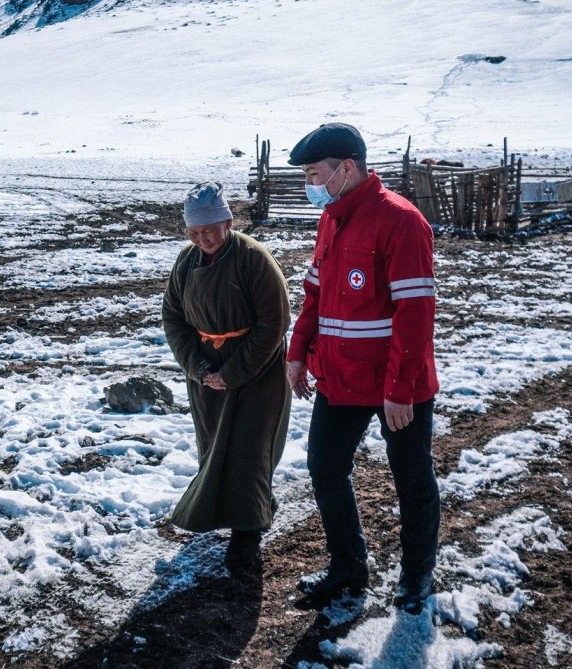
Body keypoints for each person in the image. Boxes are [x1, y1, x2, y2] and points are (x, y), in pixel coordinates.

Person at [285, 122, 441, 614]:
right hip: (339, 378)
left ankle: (417, 576)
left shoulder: (402, 221)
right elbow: (315, 292)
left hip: (397, 385)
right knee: (325, 467)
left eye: (314, 173)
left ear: (346, 168)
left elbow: (415, 314)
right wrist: (297, 351)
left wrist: (400, 388)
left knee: (411, 476)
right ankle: (348, 566)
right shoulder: (330, 217)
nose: (309, 184)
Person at [161, 181, 292, 573]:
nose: (203, 239)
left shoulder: (254, 260)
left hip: (257, 373)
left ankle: (247, 533)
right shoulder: (186, 263)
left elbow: (274, 322)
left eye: (209, 230)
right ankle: (228, 512)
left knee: (249, 452)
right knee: (216, 448)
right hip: (206, 376)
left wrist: (234, 373)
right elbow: (173, 317)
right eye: (194, 232)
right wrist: (198, 369)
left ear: (228, 222)